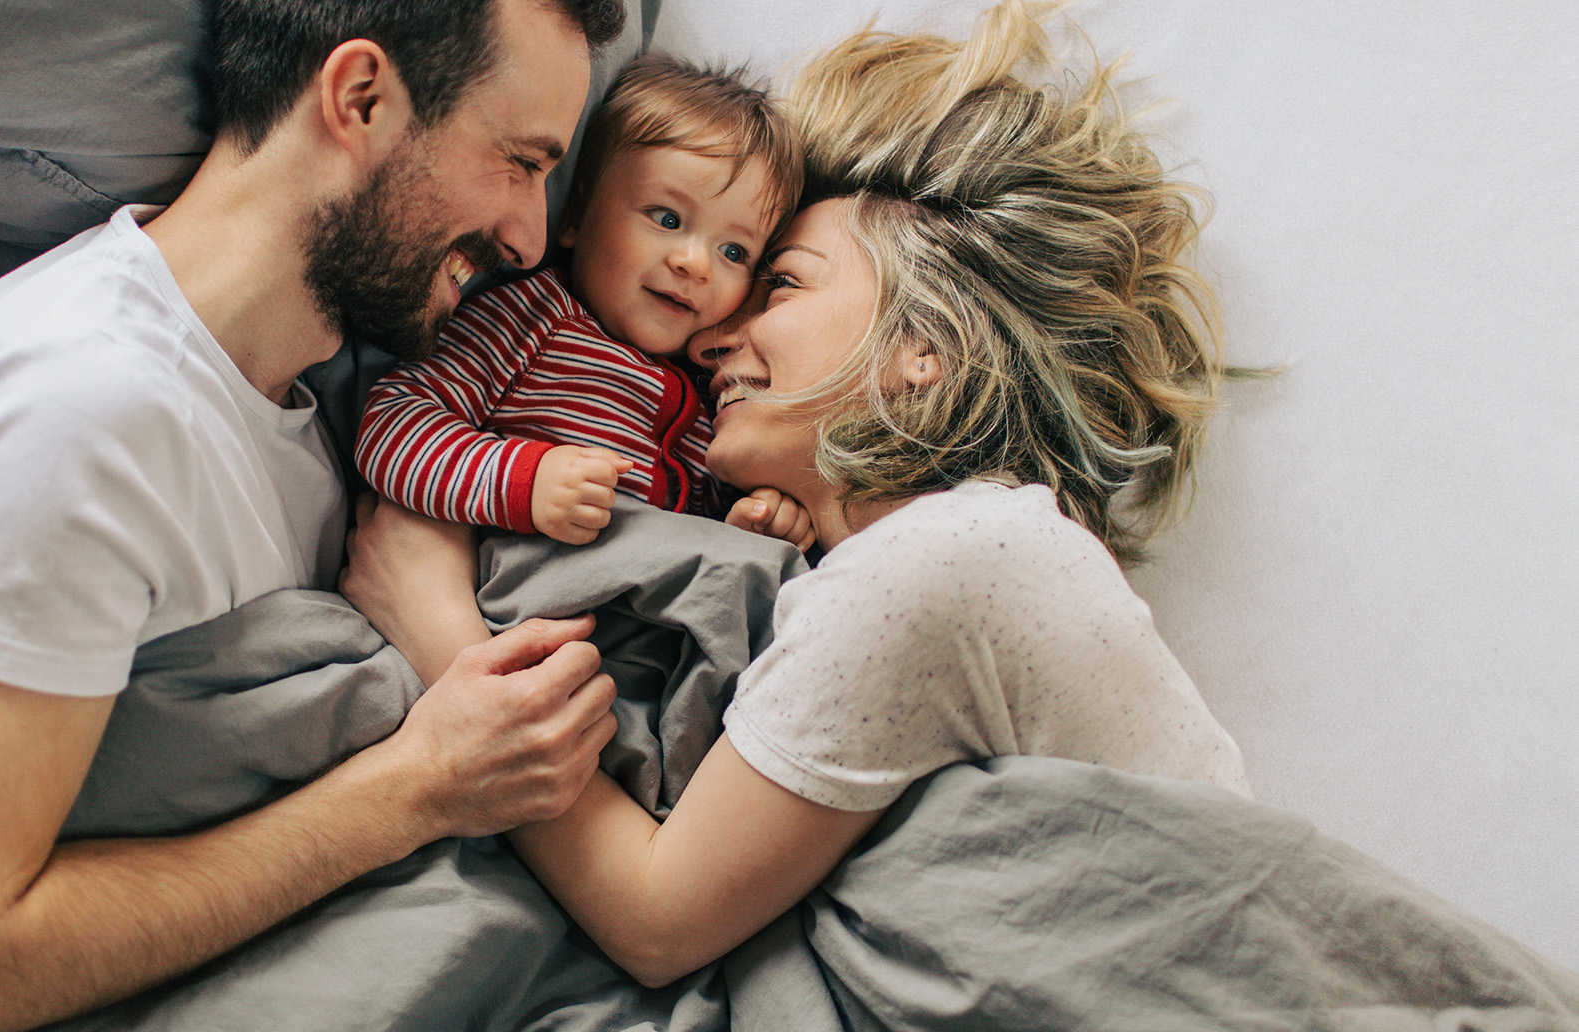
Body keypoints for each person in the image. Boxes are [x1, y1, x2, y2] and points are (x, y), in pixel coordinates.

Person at [340, 0, 1251, 992]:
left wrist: (438, 631)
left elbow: (654, 920)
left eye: (772, 284)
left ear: (918, 352)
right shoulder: (891, 559)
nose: (714, 333)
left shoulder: (952, 554)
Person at [0, 2, 629, 1030]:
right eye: (519, 162)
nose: (529, 237)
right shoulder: (74, 411)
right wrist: (422, 785)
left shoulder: (315, 408)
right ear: (360, 99)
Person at [355, 54, 815, 548]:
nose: (695, 264)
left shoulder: (714, 386)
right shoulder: (529, 321)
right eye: (666, 219)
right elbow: (391, 424)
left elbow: (698, 529)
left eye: (733, 251)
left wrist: (753, 519)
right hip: (513, 577)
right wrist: (527, 482)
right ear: (575, 214)